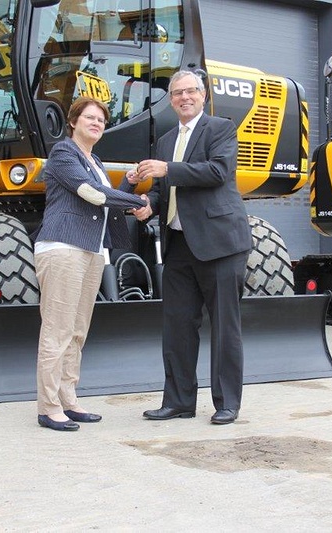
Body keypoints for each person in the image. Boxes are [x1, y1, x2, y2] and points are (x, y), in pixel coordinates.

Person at [130, 70, 252, 425]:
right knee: (177, 327)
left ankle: (227, 403)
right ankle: (179, 402)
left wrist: (167, 168)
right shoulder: (166, 140)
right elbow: (163, 187)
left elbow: (217, 172)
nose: (184, 97)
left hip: (220, 243)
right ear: (170, 100)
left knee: (224, 327)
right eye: (177, 93)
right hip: (178, 243)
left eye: (190, 91)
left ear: (203, 95)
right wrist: (149, 203)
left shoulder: (221, 129)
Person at [32, 97, 147, 432]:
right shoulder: (63, 153)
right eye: (90, 118)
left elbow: (108, 203)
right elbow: (92, 194)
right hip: (63, 247)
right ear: (73, 122)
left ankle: (69, 400)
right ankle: (48, 406)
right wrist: (137, 201)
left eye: (101, 120)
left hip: (92, 251)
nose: (96, 123)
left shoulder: (94, 159)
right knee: (58, 329)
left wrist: (128, 182)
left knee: (78, 332)